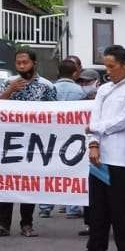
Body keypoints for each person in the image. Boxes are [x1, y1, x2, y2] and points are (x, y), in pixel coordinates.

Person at [69, 46, 125, 251]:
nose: (108, 71)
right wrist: (92, 143)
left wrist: (93, 127)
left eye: (112, 67)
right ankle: (95, 249)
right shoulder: (103, 89)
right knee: (97, 206)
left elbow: (122, 122)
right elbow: (96, 115)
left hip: (120, 157)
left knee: (122, 207)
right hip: (99, 155)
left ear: (124, 65)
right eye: (106, 66)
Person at [0, 49, 56, 238]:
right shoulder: (8, 82)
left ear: (34, 63)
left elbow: (55, 114)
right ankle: (3, 225)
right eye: (18, 63)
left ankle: (27, 224)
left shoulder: (46, 86)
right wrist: (10, 91)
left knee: (28, 183)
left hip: (34, 143)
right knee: (6, 183)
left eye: (25, 62)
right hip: (9, 141)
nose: (21, 66)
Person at [39, 59, 88, 220]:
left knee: (49, 170)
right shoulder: (80, 91)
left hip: (51, 135)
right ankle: (72, 208)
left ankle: (45, 207)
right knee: (72, 171)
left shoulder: (50, 88)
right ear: (75, 73)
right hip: (72, 137)